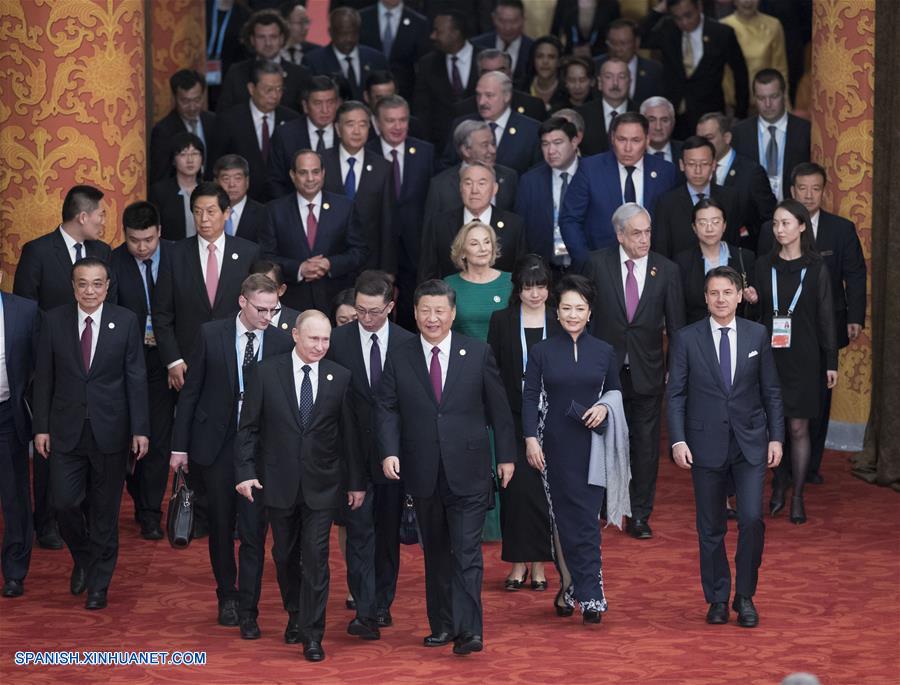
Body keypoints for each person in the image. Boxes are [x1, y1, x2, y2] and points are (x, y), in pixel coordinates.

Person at [377, 279, 516, 654]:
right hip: (423, 471)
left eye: (440, 311)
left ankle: (470, 631)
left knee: (467, 552)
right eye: (426, 311)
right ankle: (442, 625)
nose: (433, 318)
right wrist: (389, 451)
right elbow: (387, 406)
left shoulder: (478, 352)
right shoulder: (401, 354)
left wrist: (505, 456)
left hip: (469, 469)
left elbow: (499, 410)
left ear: (453, 314)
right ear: (415, 313)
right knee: (436, 553)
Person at [236, 310, 365, 662]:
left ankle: (312, 633)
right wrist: (245, 471)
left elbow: (350, 438)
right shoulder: (264, 373)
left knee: (317, 557)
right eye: (313, 339)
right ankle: (294, 612)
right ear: (295, 335)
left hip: (323, 485)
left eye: (326, 340)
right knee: (284, 555)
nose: (320, 346)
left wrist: (355, 483)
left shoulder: (341, 377)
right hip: (277, 483)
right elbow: (248, 429)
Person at [171, 274, 294, 639]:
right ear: (242, 302)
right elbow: (190, 393)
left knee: (254, 528)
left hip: (259, 447)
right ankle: (226, 594)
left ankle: (248, 602)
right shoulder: (211, 334)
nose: (267, 316)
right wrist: (180, 447)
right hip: (217, 442)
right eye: (261, 309)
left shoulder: (282, 341)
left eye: (273, 309)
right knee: (222, 525)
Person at [667, 265, 784, 628]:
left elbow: (771, 391)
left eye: (727, 292)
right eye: (714, 293)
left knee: (751, 519)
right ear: (705, 298)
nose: (721, 299)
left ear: (739, 295)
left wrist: (776, 437)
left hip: (750, 442)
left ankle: (745, 596)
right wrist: (678, 439)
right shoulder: (687, 338)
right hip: (704, 445)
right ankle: (717, 597)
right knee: (710, 527)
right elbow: (675, 394)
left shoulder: (757, 335)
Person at [32, 258, 150, 610]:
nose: (90, 290)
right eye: (83, 284)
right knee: (63, 503)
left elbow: (136, 377)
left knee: (105, 511)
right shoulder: (54, 320)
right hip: (65, 429)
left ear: (107, 286)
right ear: (73, 286)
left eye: (97, 283)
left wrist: (140, 429)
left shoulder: (126, 321)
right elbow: (44, 379)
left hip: (111, 430)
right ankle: (84, 556)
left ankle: (99, 582)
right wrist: (41, 427)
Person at [13, 184, 116, 551]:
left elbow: (112, 311)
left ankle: (84, 517)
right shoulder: (38, 252)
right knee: (50, 448)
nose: (105, 221)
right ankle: (46, 522)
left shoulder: (103, 252)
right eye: (101, 214)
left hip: (96, 367)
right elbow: (24, 313)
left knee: (91, 446)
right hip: (52, 367)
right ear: (83, 217)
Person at [579, 203, 685, 538]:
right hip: (605, 371)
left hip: (647, 370)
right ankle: (606, 502)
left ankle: (638, 513)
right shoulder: (597, 263)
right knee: (603, 439)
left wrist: (676, 370)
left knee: (645, 445)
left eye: (648, 231)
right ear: (620, 234)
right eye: (636, 233)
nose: (644, 239)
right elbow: (583, 316)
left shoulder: (666, 270)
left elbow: (678, 327)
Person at [522, 273, 623, 623]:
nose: (573, 315)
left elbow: (615, 393)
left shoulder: (605, 351)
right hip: (554, 445)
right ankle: (571, 585)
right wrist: (530, 438)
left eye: (579, 308)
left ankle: (590, 592)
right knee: (563, 519)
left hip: (593, 445)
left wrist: (605, 407)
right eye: (566, 308)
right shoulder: (542, 351)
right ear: (557, 311)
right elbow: (530, 396)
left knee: (587, 520)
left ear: (590, 311)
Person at [758, 163, 867, 483]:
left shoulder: (841, 228)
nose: (808, 194)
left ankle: (810, 467)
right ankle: (783, 467)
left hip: (821, 329)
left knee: (816, 402)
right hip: (778, 330)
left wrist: (855, 317)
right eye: (801, 188)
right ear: (792, 191)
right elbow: (766, 274)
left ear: (824, 191)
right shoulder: (772, 230)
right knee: (777, 404)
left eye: (815, 189)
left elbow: (855, 275)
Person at [327, 271, 416, 634]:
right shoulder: (338, 341)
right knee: (359, 532)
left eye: (374, 312)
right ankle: (364, 609)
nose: (366, 319)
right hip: (352, 454)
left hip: (394, 456)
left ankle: (382, 603)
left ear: (390, 307)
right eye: (360, 311)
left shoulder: (408, 343)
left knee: (387, 534)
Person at [754, 198, 837, 524]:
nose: (779, 229)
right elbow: (757, 315)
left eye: (786, 223)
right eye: (775, 223)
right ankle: (777, 484)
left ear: (802, 226)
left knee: (798, 427)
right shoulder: (764, 265)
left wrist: (831, 361)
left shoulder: (816, 267)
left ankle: (797, 496)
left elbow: (826, 317)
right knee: (771, 426)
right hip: (768, 355)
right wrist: (752, 300)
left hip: (804, 356)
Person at [487, 256, 557, 592]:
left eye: (540, 286)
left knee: (544, 495)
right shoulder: (502, 320)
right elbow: (493, 369)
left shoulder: (559, 320)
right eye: (528, 287)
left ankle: (540, 566)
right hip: (513, 417)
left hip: (552, 418)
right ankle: (517, 564)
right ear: (519, 289)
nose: (535, 294)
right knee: (515, 492)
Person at [152, 182, 261, 394]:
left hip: (235, 356)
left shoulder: (249, 252)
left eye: (211, 212)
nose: (203, 219)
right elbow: (161, 313)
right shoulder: (175, 254)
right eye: (197, 212)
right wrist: (173, 360)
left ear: (226, 213)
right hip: (187, 362)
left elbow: (256, 308)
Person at [108, 202, 175, 540]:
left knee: (159, 438)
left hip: (164, 360)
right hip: (125, 363)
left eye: (148, 239)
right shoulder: (114, 261)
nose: (142, 247)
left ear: (159, 232)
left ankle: (150, 511)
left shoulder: (177, 257)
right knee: (129, 436)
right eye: (134, 240)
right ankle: (136, 494)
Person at [559, 112, 678, 268]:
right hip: (602, 266)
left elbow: (673, 223)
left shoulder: (665, 172)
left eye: (636, 140)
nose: (628, 148)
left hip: (652, 266)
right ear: (612, 138)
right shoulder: (590, 169)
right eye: (622, 139)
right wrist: (587, 262)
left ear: (647, 140)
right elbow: (570, 219)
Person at [260, 149, 368, 313]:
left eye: (315, 172)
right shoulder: (274, 210)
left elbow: (360, 252)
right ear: (292, 175)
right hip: (291, 303)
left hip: (335, 303)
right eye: (303, 173)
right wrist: (299, 268)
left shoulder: (345, 207)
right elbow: (266, 257)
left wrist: (330, 264)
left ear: (323, 173)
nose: (310, 178)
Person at [367, 94, 435, 329]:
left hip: (415, 245)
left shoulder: (425, 152)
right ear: (377, 123)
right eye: (390, 120)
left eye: (403, 120)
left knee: (410, 306)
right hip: (376, 244)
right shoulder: (368, 152)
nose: (397, 126)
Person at [638, 0, 749, 138]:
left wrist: (740, 113)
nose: (684, 22)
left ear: (699, 7)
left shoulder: (721, 33)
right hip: (673, 116)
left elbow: (740, 74)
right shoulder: (668, 29)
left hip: (708, 115)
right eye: (678, 18)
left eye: (688, 15)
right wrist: (658, 10)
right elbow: (638, 38)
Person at [321, 101, 396, 273]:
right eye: (350, 124)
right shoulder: (321, 162)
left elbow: (388, 223)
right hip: (328, 261)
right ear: (338, 129)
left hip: (369, 263)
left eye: (363, 125)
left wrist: (388, 272)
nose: (357, 131)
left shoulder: (382, 167)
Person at [420, 164, 526, 282]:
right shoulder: (439, 225)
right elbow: (427, 273)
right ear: (460, 188)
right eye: (468, 183)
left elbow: (522, 273)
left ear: (495, 188)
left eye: (481, 183)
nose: (474, 190)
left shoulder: (514, 225)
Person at [0, 286, 40, 597]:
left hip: (6, 415)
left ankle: (15, 571)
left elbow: (40, 368)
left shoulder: (24, 310)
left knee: (13, 495)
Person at [214, 60, 300, 202]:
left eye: (279, 89)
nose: (274, 95)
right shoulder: (228, 120)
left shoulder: (292, 119)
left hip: (282, 202)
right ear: (251, 88)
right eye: (268, 90)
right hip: (241, 203)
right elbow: (216, 164)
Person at [652, 136, 743, 258]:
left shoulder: (730, 198)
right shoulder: (667, 202)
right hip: (680, 274)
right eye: (691, 164)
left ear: (714, 165)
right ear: (681, 165)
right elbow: (662, 249)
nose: (698, 170)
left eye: (704, 164)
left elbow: (734, 242)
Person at [696, 111, 776, 251]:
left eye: (709, 138)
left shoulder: (751, 173)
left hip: (741, 256)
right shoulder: (695, 171)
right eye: (700, 140)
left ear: (726, 137)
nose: (703, 145)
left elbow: (768, 221)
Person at [729, 69, 811, 201]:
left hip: (796, 211)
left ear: (784, 94)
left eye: (773, 97)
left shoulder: (805, 131)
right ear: (754, 98)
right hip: (753, 216)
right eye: (761, 98)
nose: (767, 104)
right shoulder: (739, 133)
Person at [442, 71, 542, 175]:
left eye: (489, 95)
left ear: (507, 96)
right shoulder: (462, 125)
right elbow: (447, 167)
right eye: (478, 95)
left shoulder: (531, 130)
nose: (481, 102)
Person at [515, 116, 581, 275]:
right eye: (545, 144)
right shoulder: (530, 181)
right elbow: (521, 233)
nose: (551, 151)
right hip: (545, 272)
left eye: (558, 143)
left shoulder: (594, 174)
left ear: (574, 142)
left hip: (587, 269)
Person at [674, 198, 757, 323]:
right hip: (696, 335)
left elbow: (755, 308)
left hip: (737, 334)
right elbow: (678, 308)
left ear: (724, 225)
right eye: (702, 223)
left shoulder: (745, 258)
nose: (709, 229)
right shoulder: (682, 262)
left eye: (715, 222)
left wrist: (752, 300)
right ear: (694, 227)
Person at [216, 8, 312, 113]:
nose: (268, 43)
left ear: (282, 38)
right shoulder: (236, 72)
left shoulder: (300, 75)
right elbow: (224, 114)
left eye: (273, 37)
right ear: (252, 40)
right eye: (261, 37)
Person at [423, 120, 519, 224]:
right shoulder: (441, 185)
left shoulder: (509, 177)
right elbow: (431, 232)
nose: (493, 150)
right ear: (466, 150)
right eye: (485, 145)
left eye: (493, 144)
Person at [413, 11, 481, 151]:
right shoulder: (428, 64)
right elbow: (422, 111)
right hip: (441, 149)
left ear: (455, 33)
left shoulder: (484, 59)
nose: (433, 36)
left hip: (480, 144)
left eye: (438, 31)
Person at [267, 75, 340, 199]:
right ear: (305, 106)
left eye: (330, 103)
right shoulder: (285, 134)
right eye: (318, 103)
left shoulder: (347, 131)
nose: (325, 110)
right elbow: (275, 181)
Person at [303, 7, 390, 103]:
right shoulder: (313, 61)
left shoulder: (376, 59)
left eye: (353, 33)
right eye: (343, 34)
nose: (349, 39)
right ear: (330, 32)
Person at [149, 69, 217, 184]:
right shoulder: (163, 131)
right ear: (174, 99)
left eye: (197, 100)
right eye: (185, 101)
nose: (192, 107)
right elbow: (161, 176)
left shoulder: (214, 121)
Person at [721, 0, 789, 112]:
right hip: (731, 106)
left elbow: (781, 69)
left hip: (767, 103)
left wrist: (784, 102)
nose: (747, 2)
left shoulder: (773, 25)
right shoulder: (723, 27)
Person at [358, 0, 430, 99]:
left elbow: (422, 63)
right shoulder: (361, 18)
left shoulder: (419, 22)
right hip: (367, 91)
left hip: (405, 94)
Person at [452, 49, 547, 123]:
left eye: (499, 71)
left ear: (510, 74)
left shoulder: (533, 107)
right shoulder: (463, 111)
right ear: (479, 75)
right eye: (487, 72)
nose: (493, 77)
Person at [594, 18, 664, 106]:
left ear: (637, 43)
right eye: (613, 43)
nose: (617, 49)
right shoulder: (595, 67)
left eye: (623, 43)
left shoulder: (654, 70)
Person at [149, 132, 205, 241]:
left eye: (195, 153)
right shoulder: (160, 192)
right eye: (183, 154)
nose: (190, 160)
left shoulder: (209, 190)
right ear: (173, 160)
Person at [576, 57, 635, 157]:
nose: (615, 83)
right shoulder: (582, 114)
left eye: (621, 77)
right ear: (599, 82)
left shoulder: (641, 113)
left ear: (629, 82)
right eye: (609, 77)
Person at [472, 0, 534, 91]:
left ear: (523, 20)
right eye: (502, 21)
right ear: (493, 18)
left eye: (513, 21)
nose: (507, 27)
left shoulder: (533, 48)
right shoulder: (476, 45)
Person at [213, 154, 266, 243]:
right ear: (216, 182)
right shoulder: (207, 212)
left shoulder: (264, 214)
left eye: (238, 178)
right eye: (226, 179)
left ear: (247, 181)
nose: (232, 185)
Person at [552, 0, 621, 57]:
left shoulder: (611, 4)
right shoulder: (564, 3)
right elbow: (554, 35)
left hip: (601, 59)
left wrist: (594, 50)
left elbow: (617, 37)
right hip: (570, 58)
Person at [247, 260, 302, 331]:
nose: (262, 292)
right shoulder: (235, 321)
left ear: (281, 290)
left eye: (269, 287)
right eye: (255, 286)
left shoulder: (299, 322)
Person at [640, 96, 682, 163]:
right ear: (641, 123)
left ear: (673, 123)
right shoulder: (632, 152)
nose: (658, 127)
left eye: (664, 120)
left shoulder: (685, 151)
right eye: (652, 120)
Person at [278, 1, 320, 66]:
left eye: (307, 22)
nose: (306, 27)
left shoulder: (316, 52)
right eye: (301, 22)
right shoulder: (273, 51)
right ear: (285, 23)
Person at [528, 35, 564, 110]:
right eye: (540, 56)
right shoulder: (521, 88)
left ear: (559, 61)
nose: (545, 62)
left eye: (551, 57)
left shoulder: (567, 92)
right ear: (533, 59)